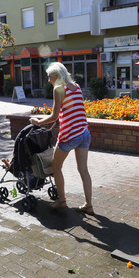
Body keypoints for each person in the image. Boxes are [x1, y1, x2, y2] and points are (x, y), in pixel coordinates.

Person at [29, 62, 93, 214]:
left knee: (56, 167)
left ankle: (62, 201)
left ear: (56, 75)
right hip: (84, 132)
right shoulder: (76, 87)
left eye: (50, 76)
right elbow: (72, 110)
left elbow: (54, 116)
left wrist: (38, 122)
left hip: (70, 135)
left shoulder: (59, 89)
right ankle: (88, 205)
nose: (48, 80)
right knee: (83, 169)